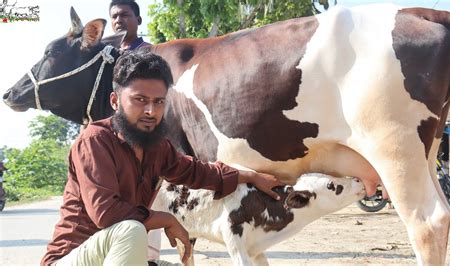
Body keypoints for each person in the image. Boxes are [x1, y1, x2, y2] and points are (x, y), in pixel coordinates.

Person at [40, 50, 283, 266]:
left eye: (159, 102)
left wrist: (250, 176)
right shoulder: (95, 140)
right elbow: (107, 214)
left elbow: (198, 172)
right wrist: (166, 219)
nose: (151, 111)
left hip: (114, 257)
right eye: (140, 100)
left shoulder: (157, 147)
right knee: (131, 230)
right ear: (115, 101)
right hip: (71, 258)